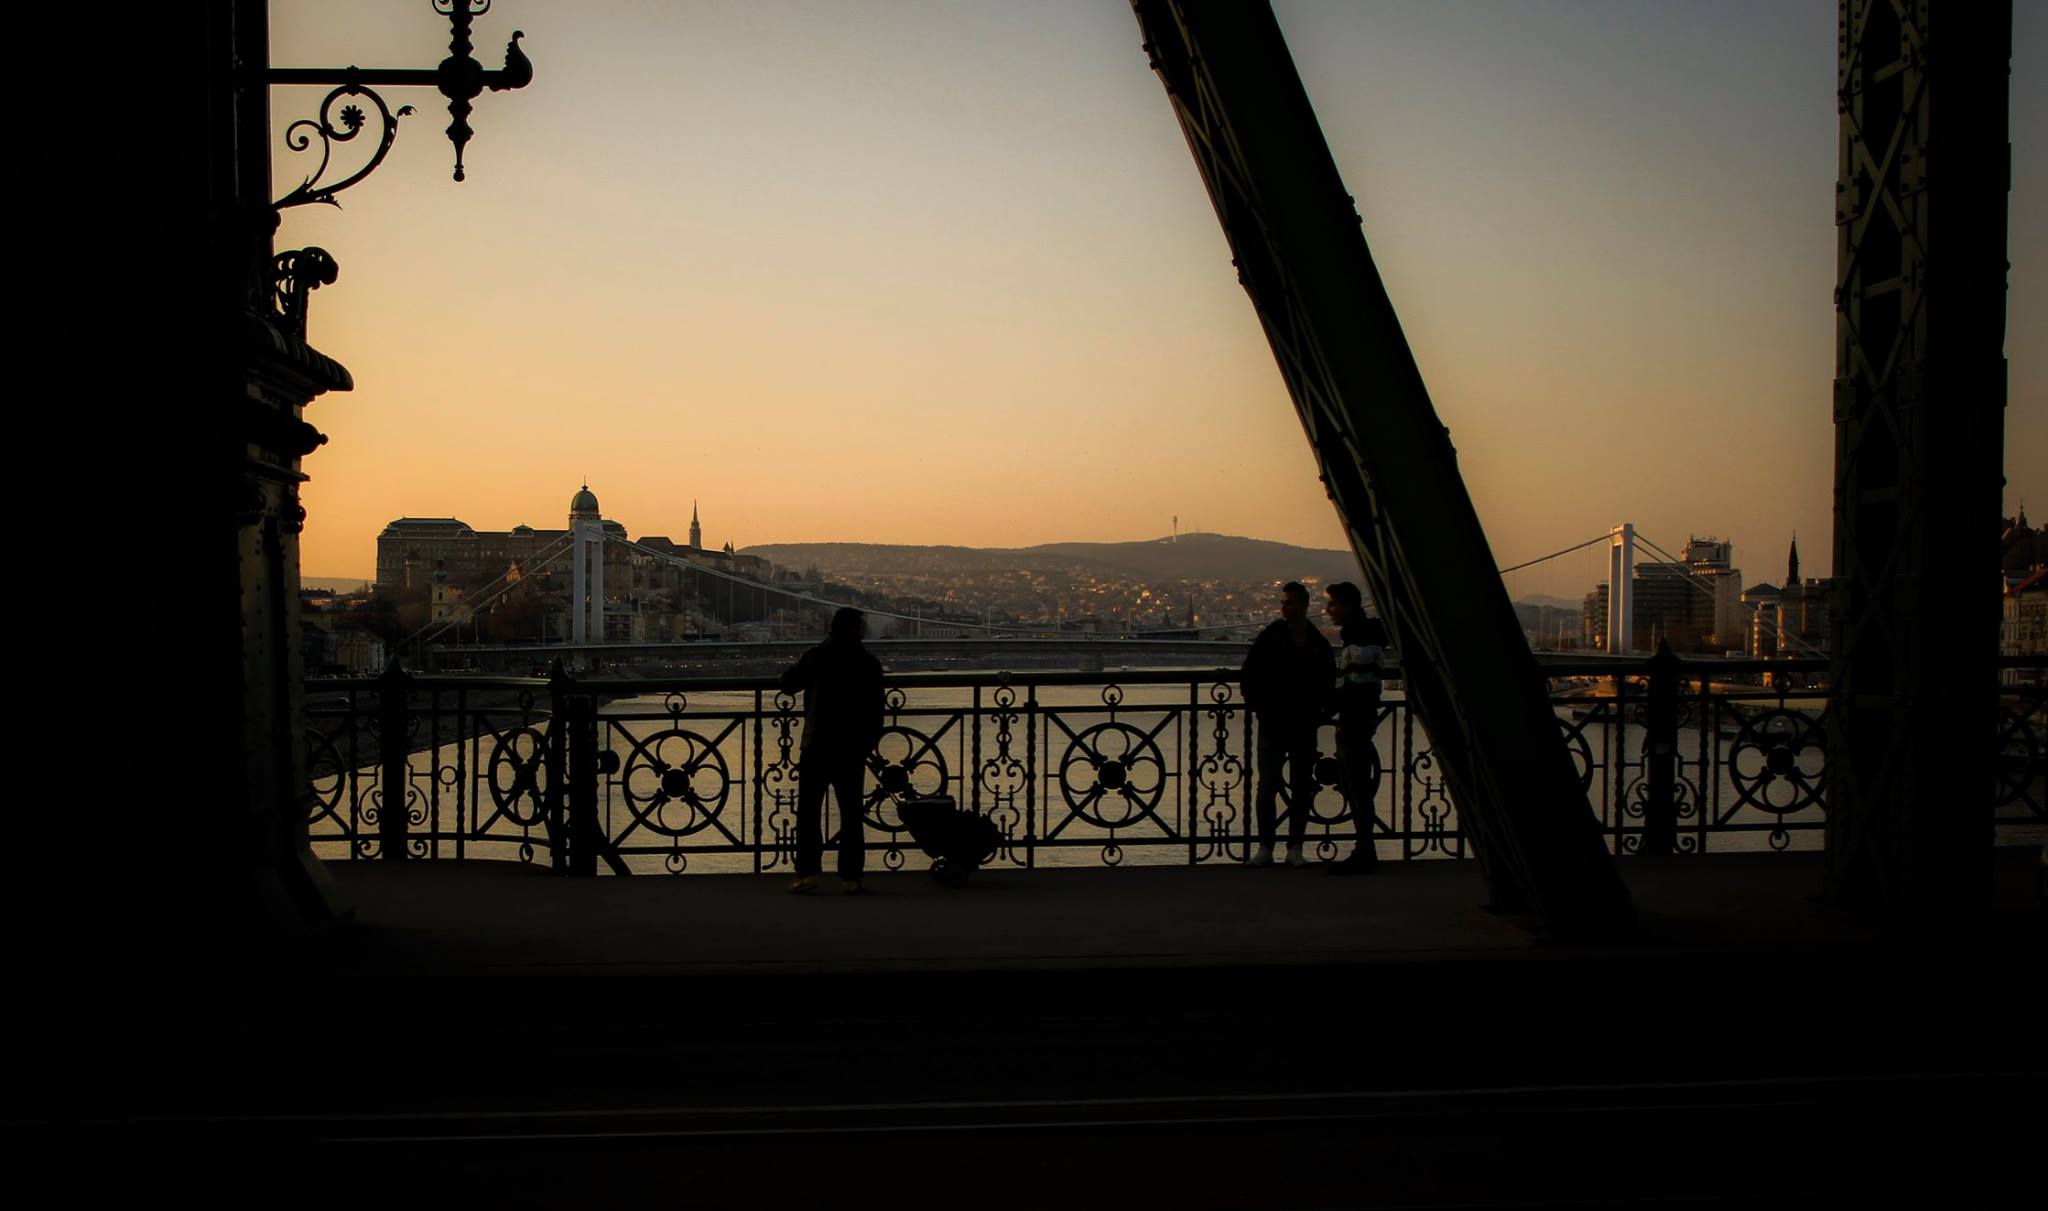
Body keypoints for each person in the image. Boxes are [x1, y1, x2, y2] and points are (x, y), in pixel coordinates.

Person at [780, 607, 885, 894]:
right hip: (851, 748)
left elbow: (787, 685)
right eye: (862, 625)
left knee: (809, 812)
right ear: (856, 630)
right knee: (851, 814)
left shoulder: (817, 656)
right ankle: (851, 878)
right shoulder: (868, 663)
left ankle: (808, 874)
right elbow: (877, 714)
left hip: (817, 744)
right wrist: (866, 745)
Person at [1239, 582, 1334, 866]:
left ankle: (1294, 848)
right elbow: (1250, 673)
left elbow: (1328, 679)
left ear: (1304, 606)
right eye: (1283, 603)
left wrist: (1319, 712)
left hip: (1302, 723)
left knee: (1300, 786)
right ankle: (1267, 848)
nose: (1284, 608)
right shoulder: (1273, 636)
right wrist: (1258, 707)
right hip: (1274, 721)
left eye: (1289, 603)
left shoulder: (1317, 642)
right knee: (1268, 786)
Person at [1324, 582, 1387, 874]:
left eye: (1333, 604)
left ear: (1348, 605)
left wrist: (1330, 706)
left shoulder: (1359, 635)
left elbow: (1357, 680)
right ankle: (1365, 848)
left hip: (1354, 718)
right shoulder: (1366, 632)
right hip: (1360, 715)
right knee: (1356, 784)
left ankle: (1365, 850)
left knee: (1356, 784)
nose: (1327, 610)